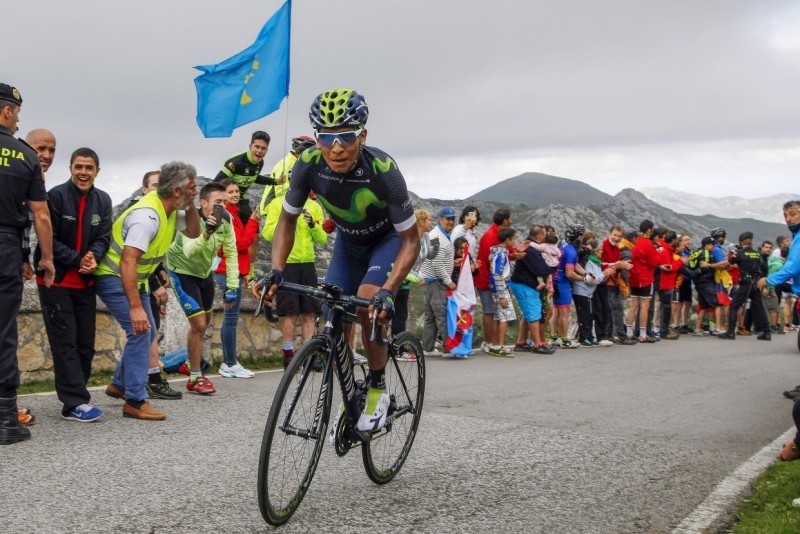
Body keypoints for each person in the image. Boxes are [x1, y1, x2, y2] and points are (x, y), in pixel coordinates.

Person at [264, 88, 419, 433]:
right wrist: (276, 269)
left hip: (387, 240)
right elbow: (286, 221)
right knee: (332, 316)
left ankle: (378, 390)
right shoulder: (307, 166)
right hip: (348, 244)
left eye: (346, 136)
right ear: (317, 138)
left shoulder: (383, 169)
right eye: (326, 137)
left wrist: (390, 289)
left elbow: (411, 239)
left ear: (362, 136)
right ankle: (351, 399)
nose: (336, 147)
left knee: (367, 304)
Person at [95, 161, 201, 421]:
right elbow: (128, 260)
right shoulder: (147, 216)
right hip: (114, 277)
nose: (196, 191)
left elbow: (195, 231)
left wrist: (191, 205)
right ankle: (134, 400)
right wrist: (135, 308)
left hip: (136, 279)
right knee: (140, 331)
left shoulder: (170, 209)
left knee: (148, 330)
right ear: (176, 191)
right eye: (192, 188)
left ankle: (119, 385)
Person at [36, 147, 112, 421]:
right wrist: (78, 258)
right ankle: (74, 402)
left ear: (97, 171)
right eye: (78, 167)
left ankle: (77, 394)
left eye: (89, 168)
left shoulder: (103, 200)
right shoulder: (55, 196)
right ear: (70, 168)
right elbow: (49, 238)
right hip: (55, 281)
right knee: (64, 342)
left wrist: (94, 257)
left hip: (85, 283)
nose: (83, 172)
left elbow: (104, 236)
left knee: (85, 344)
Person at [0, 83, 55, 445]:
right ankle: (6, 421)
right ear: (7, 111)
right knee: (3, 333)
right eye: (17, 112)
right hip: (5, 247)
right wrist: (44, 259)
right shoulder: (24, 155)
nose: (19, 119)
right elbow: (40, 215)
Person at [127, 170, 182, 400]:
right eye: (154, 185)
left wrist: (160, 272)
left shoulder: (164, 213)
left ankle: (146, 380)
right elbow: (134, 258)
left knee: (149, 332)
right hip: (136, 281)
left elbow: (153, 252)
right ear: (144, 189)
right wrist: (156, 284)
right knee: (145, 333)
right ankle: (148, 381)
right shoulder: (144, 213)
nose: (158, 189)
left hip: (147, 279)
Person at [262, 178, 327, 369]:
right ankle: (288, 355)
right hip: (286, 264)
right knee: (289, 313)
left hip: (307, 264)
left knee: (309, 312)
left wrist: (313, 226)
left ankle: (309, 355)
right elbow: (267, 233)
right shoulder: (277, 203)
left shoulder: (314, 207)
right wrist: (287, 220)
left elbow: (322, 238)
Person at [16, 128, 57, 427]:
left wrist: (21, 258)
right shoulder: (23, 170)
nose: (45, 155)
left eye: (51, 150)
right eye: (40, 148)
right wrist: (45, 259)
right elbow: (34, 217)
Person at [213, 130, 278, 282]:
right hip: (227, 202)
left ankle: (249, 271)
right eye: (257, 147)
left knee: (255, 235)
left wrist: (275, 182)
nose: (259, 151)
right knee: (231, 237)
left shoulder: (259, 163)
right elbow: (216, 183)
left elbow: (255, 178)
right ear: (250, 146)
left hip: (241, 201)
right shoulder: (235, 162)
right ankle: (219, 266)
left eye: (263, 148)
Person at [213, 179, 259, 377]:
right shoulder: (229, 214)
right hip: (227, 272)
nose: (235, 194)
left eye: (236, 191)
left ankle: (230, 362)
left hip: (233, 271)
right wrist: (254, 221)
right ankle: (229, 363)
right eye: (230, 191)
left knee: (230, 319)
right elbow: (241, 243)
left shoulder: (234, 213)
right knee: (231, 319)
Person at [475, 209, 522, 352]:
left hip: (491, 282)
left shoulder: (496, 237)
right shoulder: (490, 236)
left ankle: (494, 343)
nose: (512, 220)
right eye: (510, 218)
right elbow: (494, 266)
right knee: (491, 312)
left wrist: (514, 253)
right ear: (505, 220)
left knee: (495, 313)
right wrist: (513, 256)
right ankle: (491, 343)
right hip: (489, 282)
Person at [418, 207, 458, 358]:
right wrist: (449, 281)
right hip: (436, 282)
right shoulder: (437, 236)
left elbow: (438, 259)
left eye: (453, 219)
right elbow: (436, 263)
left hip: (430, 281)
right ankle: (449, 349)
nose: (451, 222)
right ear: (440, 219)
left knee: (431, 316)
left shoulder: (438, 235)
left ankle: (427, 348)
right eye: (448, 219)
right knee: (442, 315)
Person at [511, 225, 556, 354]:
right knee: (534, 313)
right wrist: (553, 268)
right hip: (525, 285)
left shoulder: (530, 246)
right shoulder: (531, 250)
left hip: (523, 283)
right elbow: (540, 269)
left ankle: (521, 342)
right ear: (541, 236)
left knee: (527, 314)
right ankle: (537, 344)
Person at [718, 232, 769, 340]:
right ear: (752, 242)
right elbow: (763, 269)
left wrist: (709, 265)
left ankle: (730, 332)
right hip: (755, 284)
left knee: (733, 306)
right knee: (760, 308)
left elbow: (726, 263)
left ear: (741, 242)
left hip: (745, 284)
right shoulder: (757, 254)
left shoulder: (740, 253)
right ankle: (766, 332)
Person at [573, 237, 616, 347]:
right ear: (595, 250)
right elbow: (591, 280)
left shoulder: (596, 262)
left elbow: (598, 279)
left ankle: (589, 337)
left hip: (588, 293)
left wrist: (607, 274)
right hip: (581, 291)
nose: (602, 251)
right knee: (585, 315)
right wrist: (604, 273)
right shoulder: (588, 262)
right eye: (600, 249)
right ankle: (584, 338)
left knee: (588, 314)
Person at [622, 220, 659, 344]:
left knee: (633, 305)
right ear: (649, 230)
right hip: (645, 277)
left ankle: (629, 332)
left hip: (633, 277)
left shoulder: (633, 243)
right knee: (644, 306)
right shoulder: (647, 243)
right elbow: (654, 263)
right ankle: (643, 334)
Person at [258, 135, 316, 211]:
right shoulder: (286, 164)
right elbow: (281, 192)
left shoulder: (299, 164)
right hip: (272, 206)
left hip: (288, 205)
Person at [552, 224, 585, 349]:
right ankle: (565, 339)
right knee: (565, 312)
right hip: (563, 282)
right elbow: (570, 272)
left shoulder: (562, 244)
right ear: (579, 236)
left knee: (556, 311)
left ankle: (554, 337)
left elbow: (574, 265)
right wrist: (583, 278)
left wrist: (586, 274)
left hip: (555, 280)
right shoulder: (571, 250)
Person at [487, 227, 517, 356]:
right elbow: (497, 274)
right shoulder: (502, 255)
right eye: (513, 239)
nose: (514, 242)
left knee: (498, 317)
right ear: (507, 239)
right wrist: (502, 295)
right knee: (505, 317)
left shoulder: (495, 252)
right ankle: (500, 345)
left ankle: (494, 345)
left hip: (495, 289)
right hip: (501, 289)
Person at [601, 226, 632, 342]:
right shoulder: (604, 246)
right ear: (610, 234)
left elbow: (615, 263)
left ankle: (609, 334)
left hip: (614, 281)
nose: (616, 238)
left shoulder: (617, 248)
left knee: (612, 309)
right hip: (607, 282)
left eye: (619, 236)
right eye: (614, 235)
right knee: (616, 308)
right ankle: (621, 336)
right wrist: (619, 265)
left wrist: (623, 265)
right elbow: (603, 265)